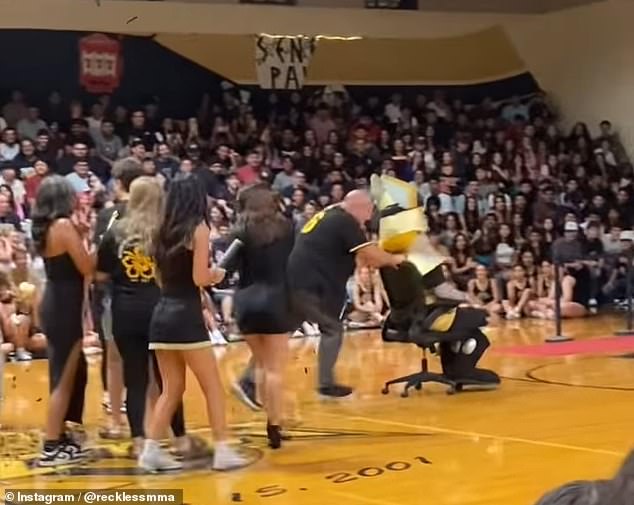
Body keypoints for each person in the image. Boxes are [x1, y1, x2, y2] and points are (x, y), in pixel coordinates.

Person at [235, 190, 404, 404]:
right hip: (307, 285)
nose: (370, 217)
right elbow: (369, 256)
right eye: (370, 210)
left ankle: (248, 380)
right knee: (332, 328)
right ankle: (325, 385)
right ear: (360, 206)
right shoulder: (345, 221)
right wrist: (396, 259)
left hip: (295, 280)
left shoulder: (330, 214)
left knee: (281, 333)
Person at [140, 175, 245, 472]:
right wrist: (217, 274)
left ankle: (151, 451)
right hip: (185, 316)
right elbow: (200, 278)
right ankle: (223, 450)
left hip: (161, 314)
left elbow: (160, 278)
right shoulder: (198, 229)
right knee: (212, 386)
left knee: (171, 389)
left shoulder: (159, 230)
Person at [96, 176, 195, 458]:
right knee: (169, 379)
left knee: (135, 378)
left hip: (125, 311)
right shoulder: (168, 233)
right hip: (161, 310)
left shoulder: (115, 233)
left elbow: (100, 275)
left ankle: (139, 439)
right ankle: (180, 439)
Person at [32, 175, 95, 466]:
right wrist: (94, 240)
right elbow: (87, 266)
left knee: (69, 373)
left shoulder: (49, 227)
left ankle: (62, 434)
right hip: (64, 307)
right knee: (63, 379)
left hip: (56, 302)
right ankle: (51, 445)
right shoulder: (63, 226)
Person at [229, 185, 295, 449]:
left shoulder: (240, 232)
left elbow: (224, 267)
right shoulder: (288, 229)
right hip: (277, 300)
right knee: (273, 369)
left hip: (246, 302)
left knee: (261, 364)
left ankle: (271, 419)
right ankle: (274, 425)